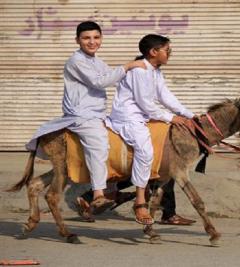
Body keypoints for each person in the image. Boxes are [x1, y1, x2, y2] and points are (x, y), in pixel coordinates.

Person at [26, 21, 145, 215]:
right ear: (77, 40)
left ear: (101, 39)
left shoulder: (97, 61)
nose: (92, 42)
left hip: (98, 115)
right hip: (82, 116)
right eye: (86, 38)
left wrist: (140, 73)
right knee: (98, 144)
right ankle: (98, 194)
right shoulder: (76, 61)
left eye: (96, 37)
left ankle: (113, 190)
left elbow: (115, 75)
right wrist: (130, 65)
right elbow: (101, 81)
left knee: (124, 139)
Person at [107, 34, 195, 225]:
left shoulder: (154, 70)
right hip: (129, 118)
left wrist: (191, 116)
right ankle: (139, 203)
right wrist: (171, 117)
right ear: (154, 52)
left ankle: (165, 210)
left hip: (144, 116)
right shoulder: (139, 71)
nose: (169, 53)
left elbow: (166, 96)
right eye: (167, 50)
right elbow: (146, 104)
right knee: (146, 152)